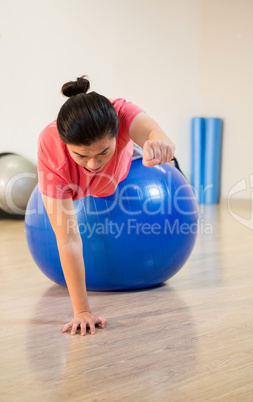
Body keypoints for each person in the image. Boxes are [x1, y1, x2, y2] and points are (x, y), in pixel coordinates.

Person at [37, 75, 183, 336]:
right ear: (65, 143)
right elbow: (68, 238)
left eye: (102, 152)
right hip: (75, 186)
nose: (92, 164)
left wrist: (160, 146)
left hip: (129, 165)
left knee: (169, 162)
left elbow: (157, 135)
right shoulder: (51, 150)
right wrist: (82, 311)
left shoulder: (122, 113)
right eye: (81, 155)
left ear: (116, 134)